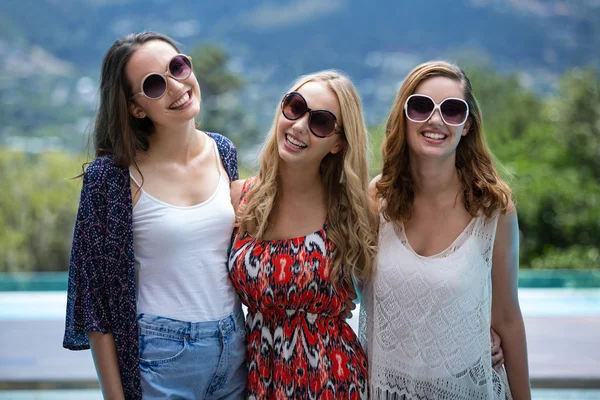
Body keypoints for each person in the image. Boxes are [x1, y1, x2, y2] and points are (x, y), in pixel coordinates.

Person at [63, 32, 246, 400]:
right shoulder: (110, 179)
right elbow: (95, 303)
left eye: (177, 67)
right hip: (163, 357)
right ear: (136, 108)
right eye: (154, 84)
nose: (177, 86)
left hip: (235, 348)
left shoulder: (223, 151)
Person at [361, 60, 530, 399]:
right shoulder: (377, 199)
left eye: (452, 110)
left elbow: (507, 316)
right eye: (421, 107)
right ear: (404, 118)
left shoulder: (493, 210)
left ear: (467, 125)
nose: (435, 120)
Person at [227, 70, 378, 399]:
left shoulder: (353, 211)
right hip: (257, 381)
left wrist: (488, 330)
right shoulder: (241, 199)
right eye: (295, 107)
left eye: (320, 122)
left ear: (338, 142)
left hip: (333, 383)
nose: (298, 127)